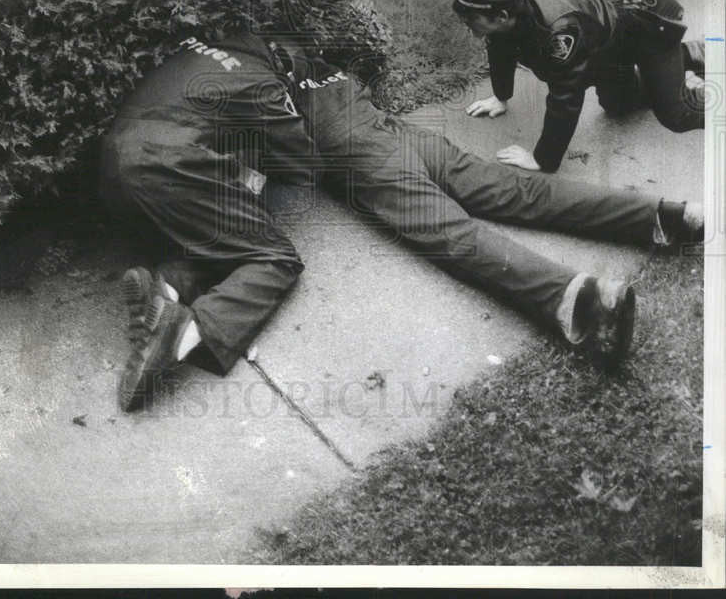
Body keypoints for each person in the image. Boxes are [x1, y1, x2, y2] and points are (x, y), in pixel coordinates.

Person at [100, 28, 703, 412]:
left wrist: (249, 178)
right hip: (356, 111)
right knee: (504, 189)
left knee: (446, 229)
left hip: (347, 135)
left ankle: (581, 300)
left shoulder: (210, 77)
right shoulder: (245, 53)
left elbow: (298, 161)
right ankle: (661, 217)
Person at [452, 0, 705, 174]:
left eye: (471, 21)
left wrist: (543, 159)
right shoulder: (509, 10)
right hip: (609, 41)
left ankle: (688, 60)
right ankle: (683, 58)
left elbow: (566, 97)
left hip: (650, 27)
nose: (467, 27)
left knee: (677, 115)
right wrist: (501, 97)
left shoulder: (558, 32)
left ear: (502, 17)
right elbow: (499, 47)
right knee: (618, 106)